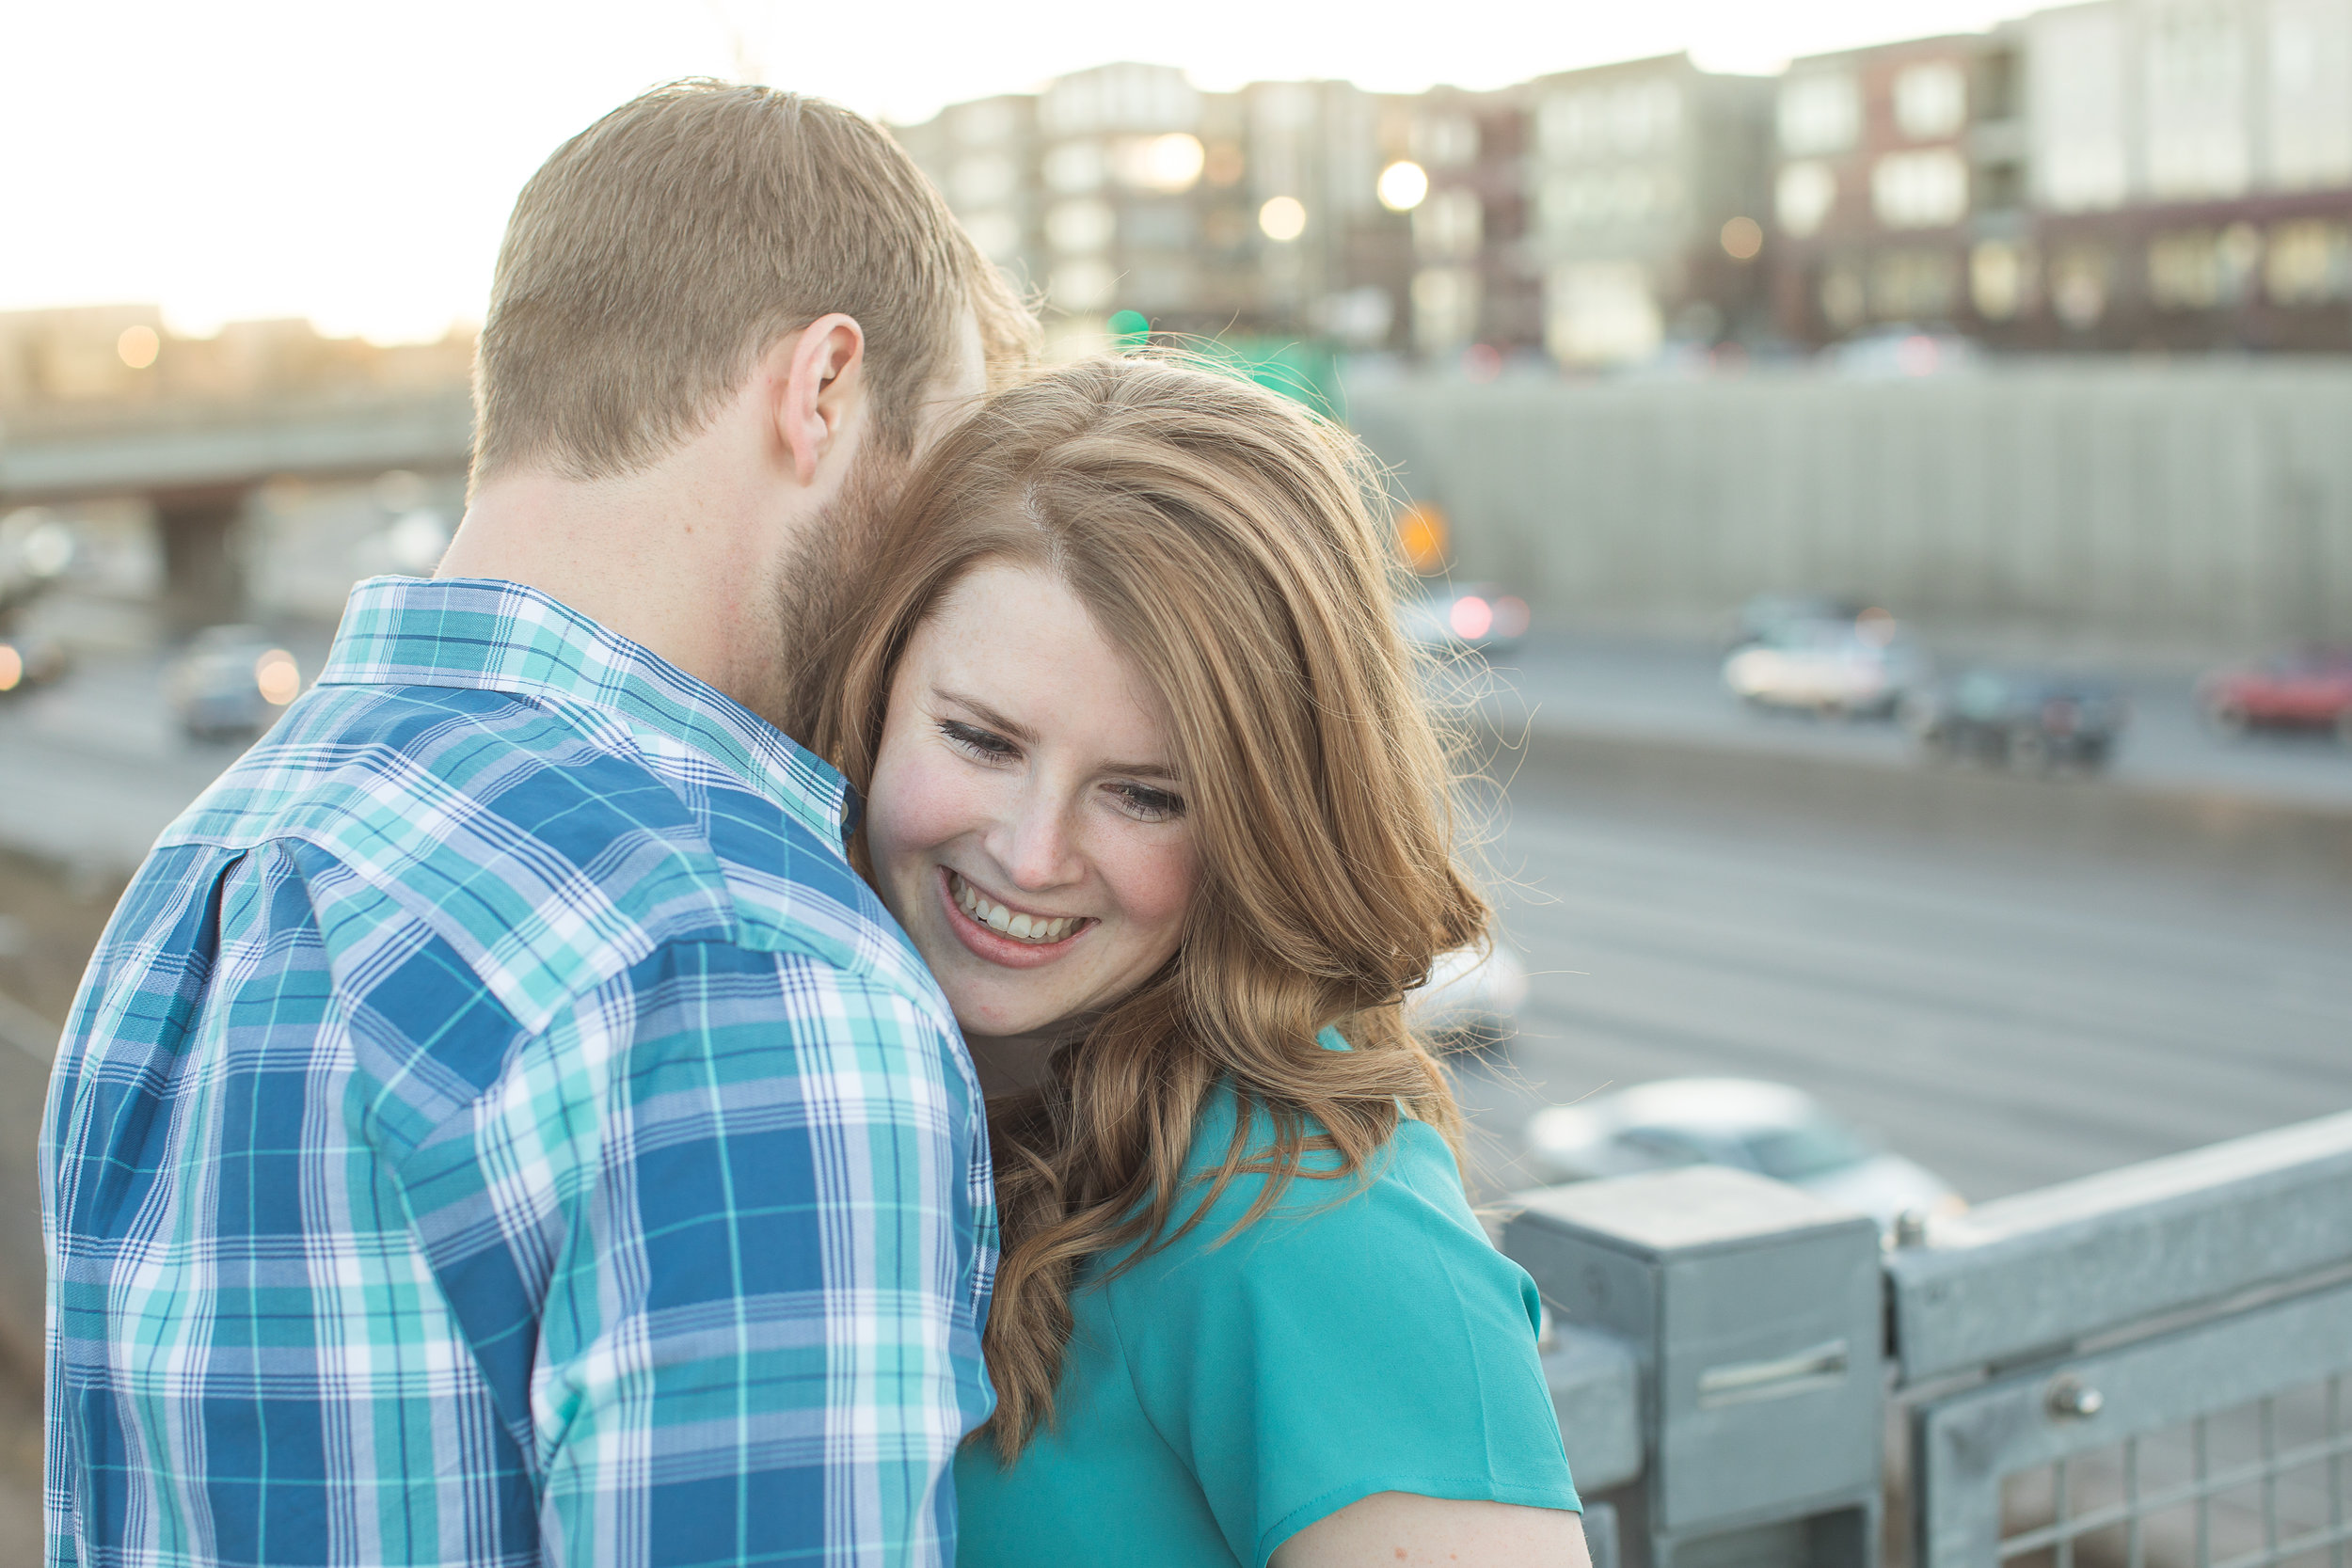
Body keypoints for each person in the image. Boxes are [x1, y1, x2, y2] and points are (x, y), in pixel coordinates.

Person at [41, 82, 1034, 1568]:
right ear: (823, 387)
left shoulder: (211, 868)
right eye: (939, 456)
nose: (938, 561)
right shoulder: (742, 964)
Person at [815, 356, 1591, 1568]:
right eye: (978, 739)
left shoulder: (1307, 1224)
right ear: (874, 688)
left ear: (1262, 821)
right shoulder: (857, 1099)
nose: (1029, 853)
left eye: (1143, 795)